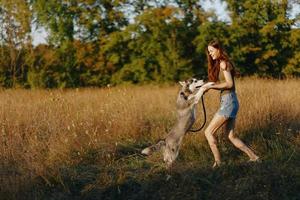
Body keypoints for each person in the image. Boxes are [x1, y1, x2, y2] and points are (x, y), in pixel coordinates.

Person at [201, 40, 259, 168]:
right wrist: (207, 87)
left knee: (208, 132)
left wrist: (212, 87)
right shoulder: (223, 63)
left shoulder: (223, 64)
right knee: (230, 136)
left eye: (211, 51)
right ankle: (254, 157)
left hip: (228, 102)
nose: (210, 54)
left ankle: (218, 163)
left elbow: (229, 84)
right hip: (231, 101)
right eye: (209, 52)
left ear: (218, 49)